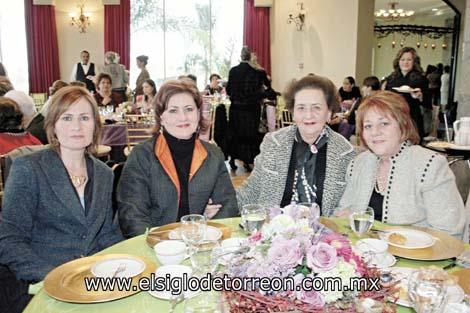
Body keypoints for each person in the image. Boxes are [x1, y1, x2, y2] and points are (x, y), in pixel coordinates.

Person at [0, 86, 123, 312]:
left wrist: (119, 266)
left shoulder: (104, 174)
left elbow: (107, 234)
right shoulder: (28, 169)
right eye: (67, 118)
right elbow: (9, 240)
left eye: (84, 118)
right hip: (41, 284)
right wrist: (56, 275)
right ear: (53, 125)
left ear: (95, 125)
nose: (76, 126)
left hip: (92, 282)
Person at [117, 80, 238, 238]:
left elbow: (228, 206)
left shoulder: (213, 155)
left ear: (198, 113)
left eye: (189, 109)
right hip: (155, 247)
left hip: (201, 244)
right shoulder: (142, 156)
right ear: (161, 116)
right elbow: (132, 218)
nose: (183, 117)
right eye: (173, 111)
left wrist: (206, 232)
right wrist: (164, 244)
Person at [337, 91, 464, 237]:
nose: (375, 132)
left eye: (384, 123)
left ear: (403, 124)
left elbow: (449, 233)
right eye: (368, 126)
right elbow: (344, 210)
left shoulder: (429, 165)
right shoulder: (358, 164)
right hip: (363, 253)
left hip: (420, 257)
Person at [236, 75, 356, 216]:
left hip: (324, 234)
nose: (308, 115)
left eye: (316, 107)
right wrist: (221, 202)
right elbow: (252, 189)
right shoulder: (274, 143)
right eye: (301, 108)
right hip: (275, 231)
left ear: (329, 112)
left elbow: (350, 205)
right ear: (293, 112)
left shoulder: (345, 153)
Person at [226, 46, 268, 171]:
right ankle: (248, 160)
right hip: (251, 110)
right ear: (250, 56)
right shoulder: (258, 72)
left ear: (241, 56)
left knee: (236, 134)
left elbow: (228, 90)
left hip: (236, 109)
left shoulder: (233, 71)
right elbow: (264, 90)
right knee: (250, 134)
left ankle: (233, 159)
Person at [383, 47, 430, 140]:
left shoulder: (421, 79)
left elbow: (428, 103)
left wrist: (420, 97)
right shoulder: (391, 78)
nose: (405, 62)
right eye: (402, 59)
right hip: (394, 116)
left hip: (413, 117)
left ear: (414, 62)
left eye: (409, 59)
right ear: (398, 61)